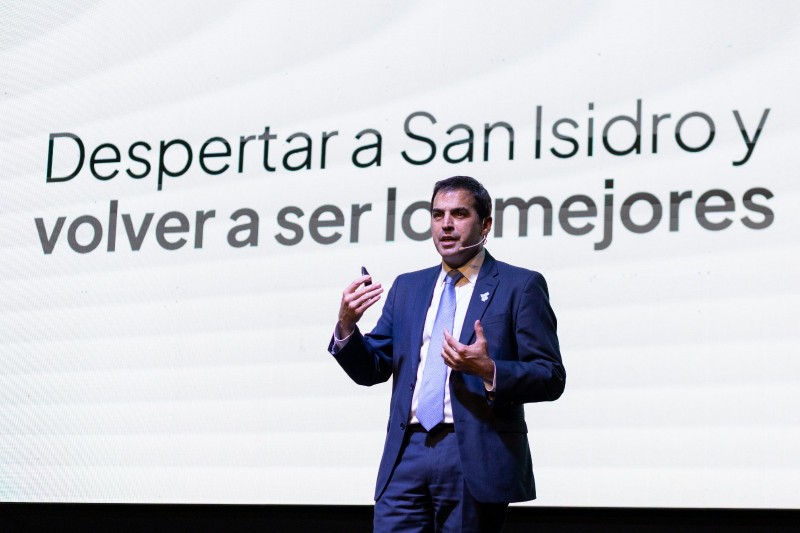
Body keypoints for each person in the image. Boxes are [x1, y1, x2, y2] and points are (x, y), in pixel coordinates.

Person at [329, 176, 565, 532]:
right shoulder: (408, 287)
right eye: (437, 215)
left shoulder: (520, 285)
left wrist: (490, 370)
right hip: (406, 450)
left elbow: (550, 376)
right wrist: (347, 326)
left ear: (485, 224)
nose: (446, 224)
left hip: (473, 452)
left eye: (459, 214)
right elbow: (372, 368)